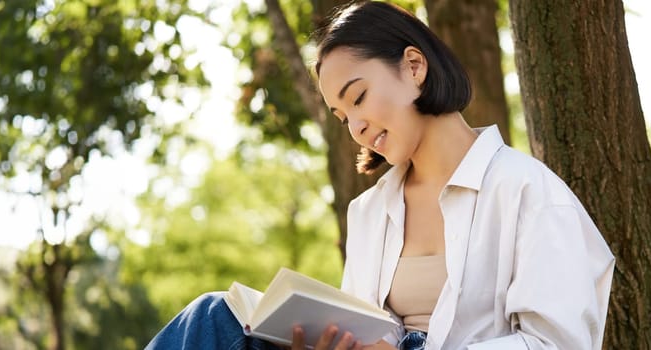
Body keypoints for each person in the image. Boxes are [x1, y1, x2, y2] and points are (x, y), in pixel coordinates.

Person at [146, 2, 614, 349]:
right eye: (341, 115)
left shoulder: (528, 191)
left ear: (414, 67)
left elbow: (558, 343)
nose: (356, 126)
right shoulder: (370, 211)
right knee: (215, 319)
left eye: (359, 97)